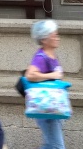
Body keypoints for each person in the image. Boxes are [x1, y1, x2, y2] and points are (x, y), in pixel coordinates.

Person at [25, 19, 66, 149]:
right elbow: (30, 75)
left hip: (53, 107)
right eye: (54, 35)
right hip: (46, 109)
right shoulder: (41, 57)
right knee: (57, 146)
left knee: (50, 144)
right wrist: (52, 75)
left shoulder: (50, 55)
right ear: (44, 39)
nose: (57, 38)